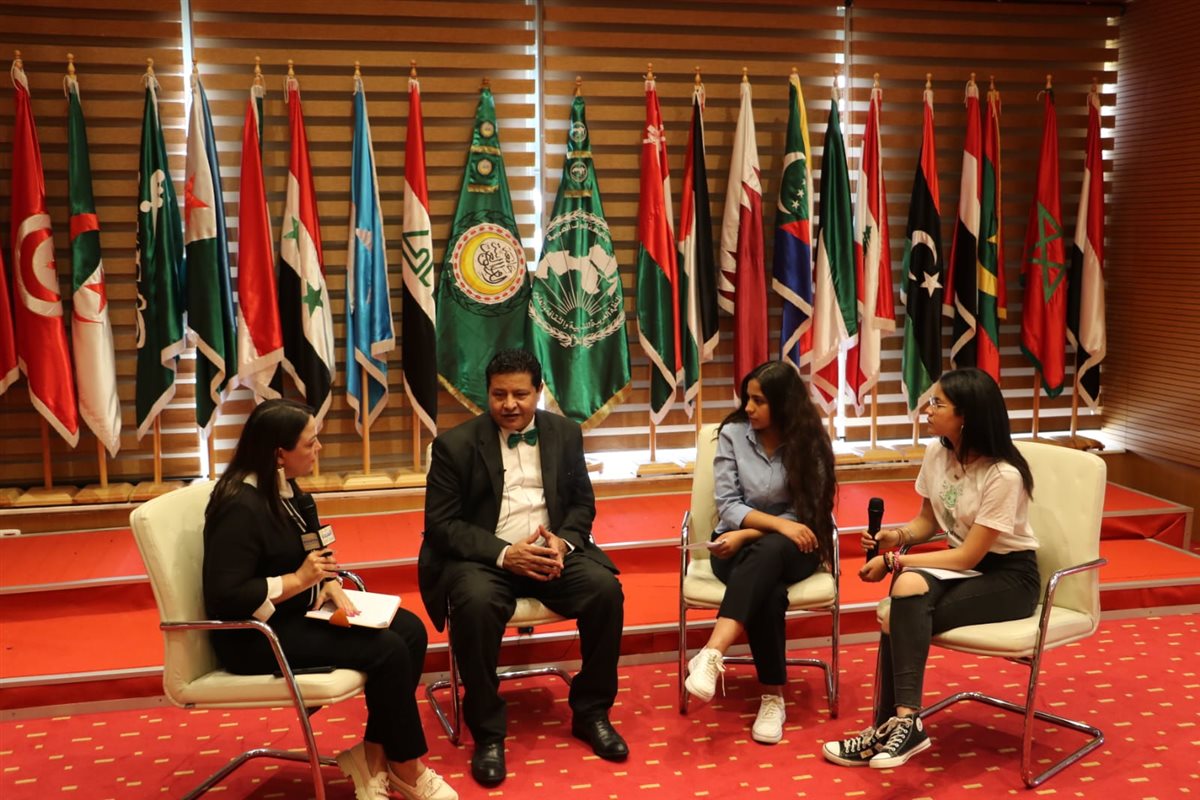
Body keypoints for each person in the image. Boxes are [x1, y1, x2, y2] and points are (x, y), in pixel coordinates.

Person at [202, 399, 456, 800]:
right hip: (254, 637)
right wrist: (297, 580)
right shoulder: (239, 505)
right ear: (279, 454)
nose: (318, 449)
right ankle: (407, 768)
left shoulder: (288, 491)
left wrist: (328, 582)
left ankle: (373, 755)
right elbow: (225, 595)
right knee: (388, 650)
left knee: (410, 631)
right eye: (310, 443)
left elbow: (313, 551)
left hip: (297, 613)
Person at [419, 349, 627, 787]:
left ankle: (591, 712)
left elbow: (582, 504)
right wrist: (504, 553)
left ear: (538, 391)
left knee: (605, 592)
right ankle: (488, 732)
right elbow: (441, 526)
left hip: (552, 554)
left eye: (520, 394)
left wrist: (563, 543)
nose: (509, 404)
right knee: (475, 605)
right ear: (487, 394)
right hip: (485, 559)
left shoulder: (565, 433)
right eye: (499, 395)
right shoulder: (454, 446)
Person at [823, 367, 1040, 769]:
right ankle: (904, 723)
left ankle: (887, 728)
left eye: (938, 403)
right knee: (906, 590)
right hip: (963, 568)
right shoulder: (938, 453)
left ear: (966, 415)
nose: (927, 409)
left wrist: (894, 560)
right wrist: (894, 537)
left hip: (1009, 578)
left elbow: (967, 556)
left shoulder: (1003, 475)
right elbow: (927, 523)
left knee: (903, 607)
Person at [683, 361, 837, 744]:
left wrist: (754, 533)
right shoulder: (732, 435)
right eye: (747, 398)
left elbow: (807, 515)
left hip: (798, 548)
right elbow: (728, 504)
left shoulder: (810, 442)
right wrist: (771, 528)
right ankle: (772, 697)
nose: (748, 408)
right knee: (767, 590)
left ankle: (713, 652)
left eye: (759, 401)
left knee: (768, 554)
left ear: (784, 404)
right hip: (734, 547)